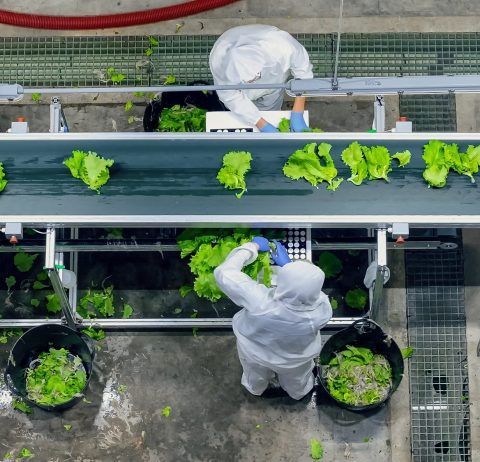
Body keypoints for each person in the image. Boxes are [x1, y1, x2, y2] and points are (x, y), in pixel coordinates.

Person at [214, 237, 332, 400]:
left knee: (255, 375)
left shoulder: (260, 301)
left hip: (256, 354)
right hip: (295, 360)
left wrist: (251, 247)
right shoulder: (322, 311)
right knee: (297, 380)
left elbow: (224, 273)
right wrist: (290, 268)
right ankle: (298, 393)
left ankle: (255, 389)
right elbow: (308, 294)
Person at [209, 25, 314, 133]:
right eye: (246, 81)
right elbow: (231, 97)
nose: (252, 82)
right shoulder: (220, 63)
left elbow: (303, 72)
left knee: (271, 109)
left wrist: (298, 111)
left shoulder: (281, 45)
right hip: (241, 91)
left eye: (254, 78)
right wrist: (261, 124)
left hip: (273, 81)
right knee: (241, 116)